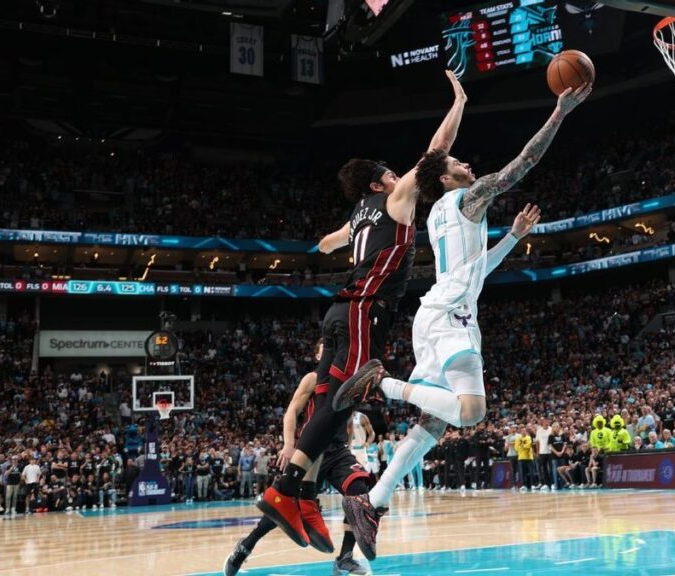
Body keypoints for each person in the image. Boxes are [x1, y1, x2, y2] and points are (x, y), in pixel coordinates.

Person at [332, 81, 591, 559]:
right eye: (458, 163)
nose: (466, 164)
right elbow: (522, 164)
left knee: (434, 424)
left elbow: (475, 270)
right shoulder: (469, 200)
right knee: (471, 412)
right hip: (450, 316)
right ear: (447, 179)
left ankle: (372, 502)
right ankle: (382, 383)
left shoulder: (438, 215)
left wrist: (512, 238)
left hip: (439, 313)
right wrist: (561, 111)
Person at [257, 71, 468, 553]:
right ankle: (286, 490)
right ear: (379, 183)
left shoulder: (358, 216)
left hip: (338, 312)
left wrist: (346, 236)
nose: (400, 176)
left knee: (330, 403)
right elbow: (436, 152)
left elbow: (324, 243)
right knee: (341, 401)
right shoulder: (394, 199)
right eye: (392, 173)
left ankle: (298, 493)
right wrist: (459, 101)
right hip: (363, 312)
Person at [225, 339, 371, 576]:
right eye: (326, 350)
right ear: (318, 357)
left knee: (359, 491)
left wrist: (349, 444)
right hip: (311, 450)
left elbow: (348, 420)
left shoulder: (348, 382)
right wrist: (289, 444)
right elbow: (292, 410)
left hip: (337, 451)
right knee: (284, 507)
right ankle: (245, 546)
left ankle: (345, 557)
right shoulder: (313, 379)